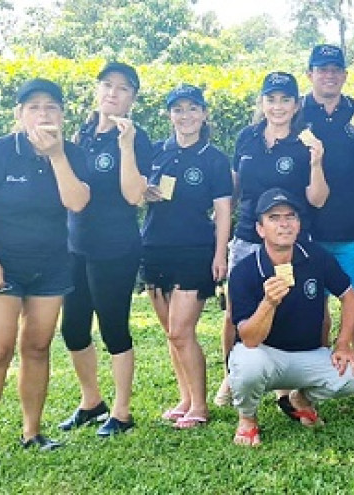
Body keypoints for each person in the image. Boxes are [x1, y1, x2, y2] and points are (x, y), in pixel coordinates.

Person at [0, 79, 90, 471]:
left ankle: (32, 432)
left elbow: (77, 202)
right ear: (19, 115)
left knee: (37, 347)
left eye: (51, 107)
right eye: (33, 107)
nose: (43, 114)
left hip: (50, 264)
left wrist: (56, 156)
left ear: (62, 115)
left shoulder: (70, 153)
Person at [213, 71, 328, 406]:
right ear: (262, 102)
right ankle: (232, 376)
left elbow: (318, 198)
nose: (277, 106)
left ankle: (295, 383)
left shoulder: (306, 140)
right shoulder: (246, 137)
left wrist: (318, 162)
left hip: (292, 239)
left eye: (285, 99)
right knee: (236, 309)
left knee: (303, 307)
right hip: (249, 235)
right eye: (271, 99)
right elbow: (233, 189)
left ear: (296, 105)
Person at [228, 188, 354, 447]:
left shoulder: (316, 256)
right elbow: (249, 339)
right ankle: (247, 418)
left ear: (299, 224)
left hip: (308, 354)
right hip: (265, 355)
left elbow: (349, 295)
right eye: (274, 217)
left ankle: (301, 399)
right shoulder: (245, 271)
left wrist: (343, 344)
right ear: (260, 229)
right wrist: (268, 303)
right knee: (247, 365)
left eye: (291, 216)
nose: (284, 224)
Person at [58, 62, 152, 437]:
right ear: (96, 90)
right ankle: (91, 401)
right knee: (74, 329)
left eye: (123, 88)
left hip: (115, 247)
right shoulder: (81, 134)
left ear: (133, 99)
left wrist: (126, 146)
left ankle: (122, 411)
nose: (113, 93)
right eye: (107, 85)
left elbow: (134, 196)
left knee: (114, 328)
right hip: (75, 245)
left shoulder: (136, 137)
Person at [299, 44, 354, 398]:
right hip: (307, 229)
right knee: (314, 305)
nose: (329, 75)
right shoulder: (295, 113)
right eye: (322, 69)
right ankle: (321, 374)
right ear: (310, 75)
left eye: (335, 69)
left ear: (345, 75)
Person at [143, 84, 232, 428]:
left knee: (182, 330)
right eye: (178, 109)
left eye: (193, 108)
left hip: (195, 250)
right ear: (169, 115)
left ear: (204, 113)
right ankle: (184, 398)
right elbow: (130, 191)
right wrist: (142, 194)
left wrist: (219, 252)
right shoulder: (154, 152)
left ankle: (200, 405)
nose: (186, 116)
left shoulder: (214, 158)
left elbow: (224, 210)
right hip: (153, 247)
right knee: (170, 332)